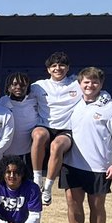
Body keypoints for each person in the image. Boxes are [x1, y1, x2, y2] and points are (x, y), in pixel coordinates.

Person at [59, 66, 112, 223]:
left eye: (95, 82)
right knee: (73, 204)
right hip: (72, 165)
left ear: (101, 84)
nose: (90, 85)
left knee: (96, 206)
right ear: (80, 84)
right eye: (86, 82)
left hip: (99, 166)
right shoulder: (74, 104)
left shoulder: (111, 107)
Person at [30, 51, 82, 206]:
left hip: (66, 130)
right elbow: (20, 99)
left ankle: (47, 187)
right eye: (53, 66)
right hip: (44, 126)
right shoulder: (38, 86)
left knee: (56, 145)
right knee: (39, 135)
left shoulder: (76, 84)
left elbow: (95, 90)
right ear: (48, 69)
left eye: (61, 65)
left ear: (68, 68)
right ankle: (37, 178)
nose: (57, 68)